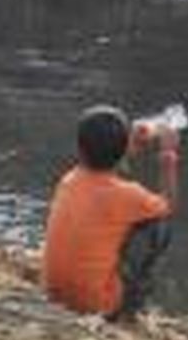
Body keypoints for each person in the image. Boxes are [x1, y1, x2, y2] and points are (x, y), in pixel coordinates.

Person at [42, 105, 180, 320]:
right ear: (123, 148)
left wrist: (130, 144)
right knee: (160, 224)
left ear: (79, 148)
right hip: (98, 306)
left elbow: (106, 163)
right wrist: (168, 156)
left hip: (54, 294)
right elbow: (168, 204)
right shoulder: (129, 195)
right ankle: (134, 302)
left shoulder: (69, 180)